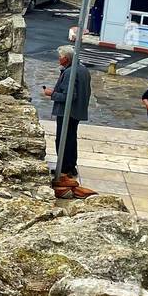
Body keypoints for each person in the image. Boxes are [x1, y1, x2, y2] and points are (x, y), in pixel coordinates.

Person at [42, 44, 92, 196]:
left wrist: (51, 94)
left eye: (60, 57)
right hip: (77, 111)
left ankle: (64, 168)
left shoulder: (70, 72)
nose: (59, 59)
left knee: (63, 139)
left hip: (67, 112)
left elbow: (69, 96)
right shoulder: (83, 69)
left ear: (66, 58)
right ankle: (70, 166)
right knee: (71, 138)